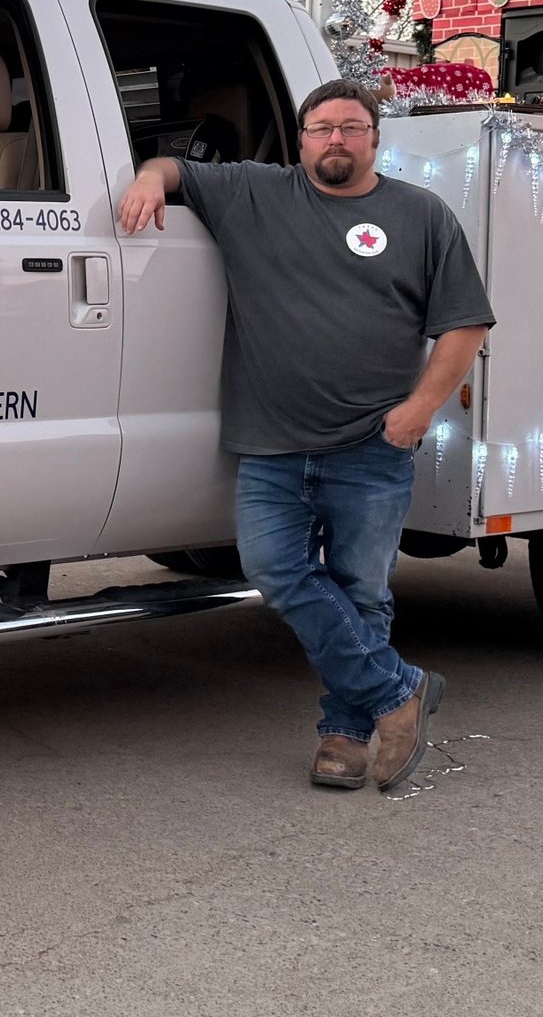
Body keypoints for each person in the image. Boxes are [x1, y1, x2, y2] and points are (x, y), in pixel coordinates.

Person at [117, 78, 494, 791]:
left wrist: (421, 408)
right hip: (272, 445)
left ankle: (345, 736)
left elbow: (465, 322)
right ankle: (398, 691)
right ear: (301, 139)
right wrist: (146, 178)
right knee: (274, 569)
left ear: (375, 139)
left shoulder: (421, 216)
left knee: (362, 589)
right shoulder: (255, 194)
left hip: (373, 447)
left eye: (352, 128)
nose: (336, 141)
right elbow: (176, 170)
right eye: (321, 128)